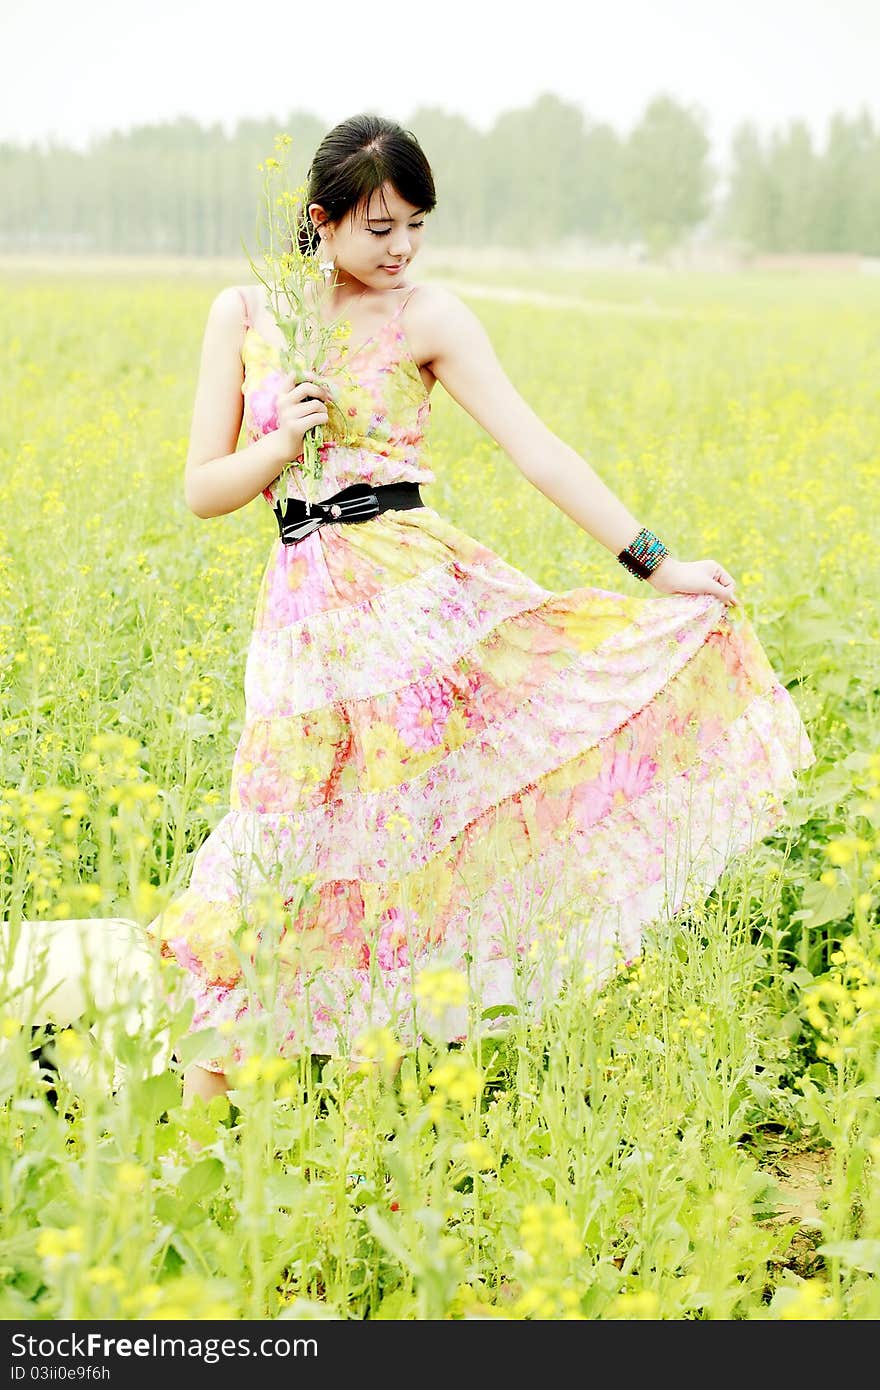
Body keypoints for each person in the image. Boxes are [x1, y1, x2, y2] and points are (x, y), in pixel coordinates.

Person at [143, 112, 815, 1109]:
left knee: (410, 846)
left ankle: (380, 1115)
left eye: (416, 223)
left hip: (420, 606)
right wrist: (284, 447)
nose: (402, 246)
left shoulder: (430, 316)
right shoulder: (246, 312)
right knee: (271, 834)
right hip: (305, 619)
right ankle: (192, 1132)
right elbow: (203, 487)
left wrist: (655, 562)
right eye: (379, 227)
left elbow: (534, 448)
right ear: (320, 221)